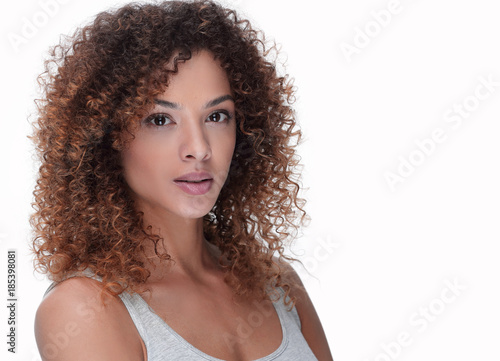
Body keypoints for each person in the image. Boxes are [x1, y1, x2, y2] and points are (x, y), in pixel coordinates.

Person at [31, 1, 333, 360]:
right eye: (160, 120)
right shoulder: (85, 309)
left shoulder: (279, 285)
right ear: (105, 138)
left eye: (217, 116)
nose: (199, 148)